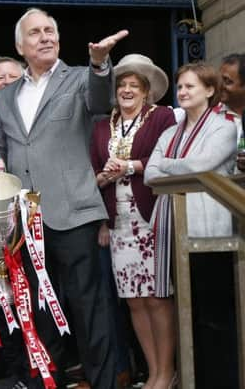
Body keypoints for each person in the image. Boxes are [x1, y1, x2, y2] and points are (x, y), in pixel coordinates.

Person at [0, 7, 128, 389]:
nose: (46, 37)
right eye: (35, 32)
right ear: (20, 45)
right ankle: (45, 382)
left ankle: (103, 384)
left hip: (74, 212)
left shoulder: (80, 79)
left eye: (50, 30)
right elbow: (0, 145)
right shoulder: (6, 97)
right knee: (36, 310)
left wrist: (99, 63)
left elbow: (101, 101)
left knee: (88, 310)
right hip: (25, 221)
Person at [145, 62, 237, 389]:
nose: (182, 92)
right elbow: (148, 175)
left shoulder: (224, 128)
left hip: (210, 232)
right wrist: (176, 168)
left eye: (190, 87)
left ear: (210, 90)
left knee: (214, 313)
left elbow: (203, 165)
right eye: (180, 87)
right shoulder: (171, 132)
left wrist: (167, 165)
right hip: (173, 230)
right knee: (187, 312)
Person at [90, 54, 176, 389]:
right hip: (119, 224)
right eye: (122, 85)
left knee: (156, 297)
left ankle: (166, 373)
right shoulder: (101, 126)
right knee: (134, 301)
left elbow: (167, 159)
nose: (127, 90)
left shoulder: (163, 117)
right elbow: (93, 174)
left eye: (134, 85)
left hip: (153, 218)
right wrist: (104, 181)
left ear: (147, 92)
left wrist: (130, 167)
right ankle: (154, 372)